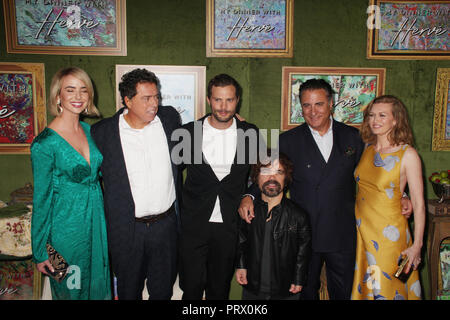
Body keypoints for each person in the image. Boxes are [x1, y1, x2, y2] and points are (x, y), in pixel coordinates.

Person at [239, 79, 412, 300]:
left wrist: (403, 194)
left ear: (331, 104)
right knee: (304, 291)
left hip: (342, 232)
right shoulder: (288, 140)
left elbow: (377, 174)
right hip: (302, 233)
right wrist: (248, 196)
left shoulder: (354, 137)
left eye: (319, 104)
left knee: (344, 292)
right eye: (306, 105)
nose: (312, 111)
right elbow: (265, 174)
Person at [91, 68, 182, 300]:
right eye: (146, 98)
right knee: (128, 292)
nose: (154, 104)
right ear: (127, 100)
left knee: (162, 292)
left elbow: (195, 136)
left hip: (166, 226)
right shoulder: (103, 133)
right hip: (127, 229)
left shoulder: (170, 118)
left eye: (156, 96)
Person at [31, 67, 111, 300]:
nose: (77, 96)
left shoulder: (88, 130)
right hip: (63, 234)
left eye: (83, 90)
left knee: (98, 288)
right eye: (70, 90)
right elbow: (42, 199)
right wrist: (40, 252)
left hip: (96, 225)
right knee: (68, 290)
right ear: (58, 96)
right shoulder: (44, 144)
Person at [177, 73, 260, 300]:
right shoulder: (188, 132)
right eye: (218, 100)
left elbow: (260, 176)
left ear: (237, 100)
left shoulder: (249, 132)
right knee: (191, 288)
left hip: (229, 226)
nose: (223, 107)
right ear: (208, 100)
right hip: (193, 225)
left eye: (229, 100)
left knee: (220, 289)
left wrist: (249, 196)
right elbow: (171, 173)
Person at [351, 95, 425, 300]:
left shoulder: (407, 154)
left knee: (386, 290)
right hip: (363, 232)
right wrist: (403, 195)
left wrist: (416, 246)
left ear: (396, 119)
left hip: (388, 236)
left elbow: (419, 205)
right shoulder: (367, 148)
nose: (375, 120)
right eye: (372, 115)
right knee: (369, 288)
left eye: (383, 115)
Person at [235, 151, 311, 300]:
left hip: (286, 290)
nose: (272, 178)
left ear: (286, 178)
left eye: (279, 172)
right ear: (256, 178)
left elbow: (303, 253)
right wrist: (241, 265)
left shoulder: (299, 216)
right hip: (252, 289)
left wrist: (298, 278)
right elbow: (241, 241)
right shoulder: (247, 212)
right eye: (266, 172)